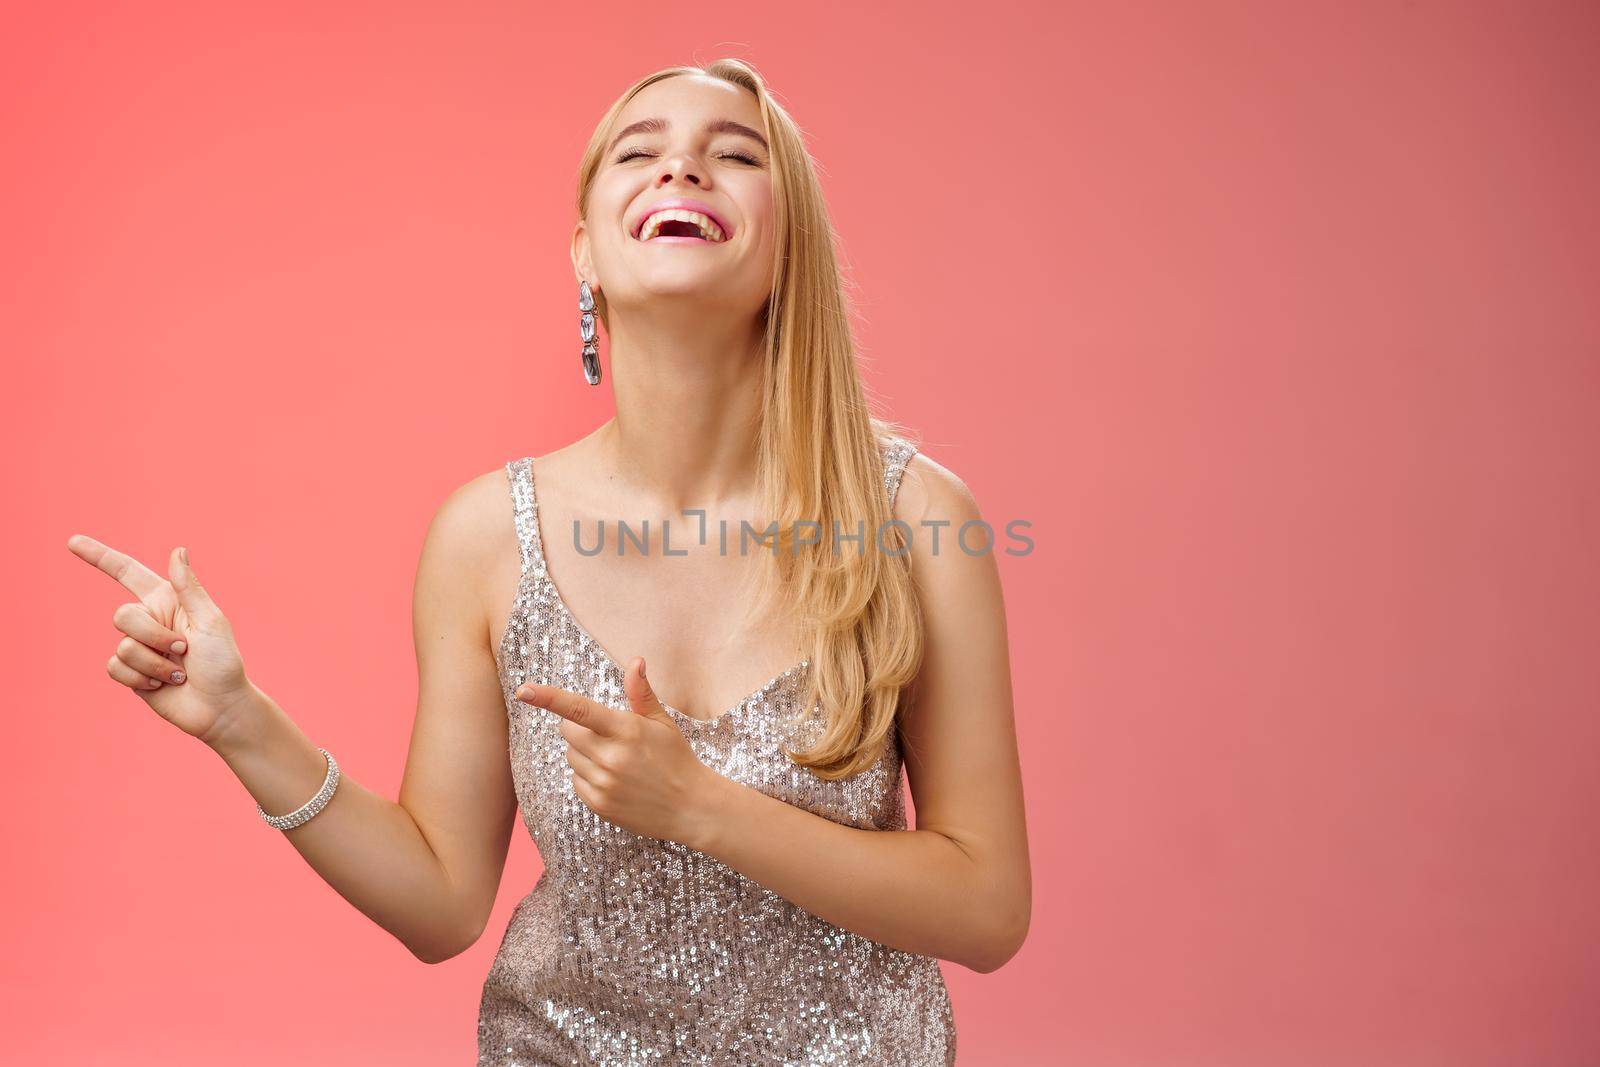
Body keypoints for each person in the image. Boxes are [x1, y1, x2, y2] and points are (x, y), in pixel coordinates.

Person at [66, 57, 1031, 1066]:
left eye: (734, 154)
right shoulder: (487, 536)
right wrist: (239, 720)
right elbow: (440, 901)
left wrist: (701, 807)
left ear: (791, 248)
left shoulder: (915, 518)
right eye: (640, 152)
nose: (682, 170)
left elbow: (987, 906)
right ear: (585, 254)